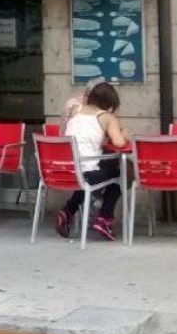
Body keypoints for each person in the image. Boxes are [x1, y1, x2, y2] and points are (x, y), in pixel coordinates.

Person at [55, 81, 131, 241]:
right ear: (109, 103)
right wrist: (124, 132)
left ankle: (68, 211)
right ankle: (104, 218)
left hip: (68, 170)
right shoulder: (107, 117)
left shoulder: (75, 110)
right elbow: (119, 143)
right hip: (87, 170)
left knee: (90, 179)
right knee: (124, 172)